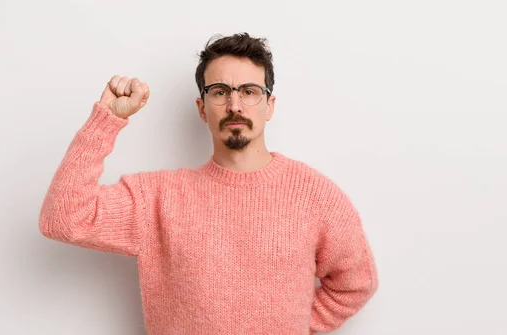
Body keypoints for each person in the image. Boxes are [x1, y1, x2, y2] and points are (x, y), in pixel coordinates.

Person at [39, 32, 378, 334]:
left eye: (249, 91)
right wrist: (107, 119)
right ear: (202, 109)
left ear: (269, 105)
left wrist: (294, 325)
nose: (234, 105)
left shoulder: (315, 195)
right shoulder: (158, 199)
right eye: (220, 92)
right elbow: (64, 219)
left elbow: (355, 284)